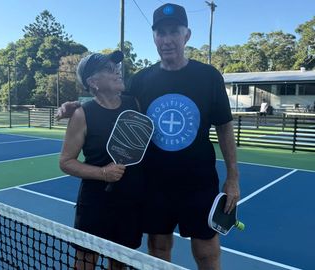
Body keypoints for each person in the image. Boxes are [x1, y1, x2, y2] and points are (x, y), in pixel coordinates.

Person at [57, 3, 240, 270]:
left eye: (173, 32)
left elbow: (224, 127)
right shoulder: (142, 80)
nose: (167, 40)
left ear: (186, 35)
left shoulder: (208, 76)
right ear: (154, 37)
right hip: (154, 183)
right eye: (160, 33)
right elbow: (109, 99)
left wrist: (233, 178)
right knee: (158, 247)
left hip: (199, 182)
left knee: (206, 251)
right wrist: (77, 104)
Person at [59, 50, 144, 270]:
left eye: (116, 67)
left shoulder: (135, 103)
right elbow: (66, 161)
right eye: (108, 69)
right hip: (95, 204)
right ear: (93, 82)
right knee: (86, 262)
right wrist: (102, 173)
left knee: (120, 263)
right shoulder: (82, 114)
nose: (117, 71)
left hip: (129, 202)